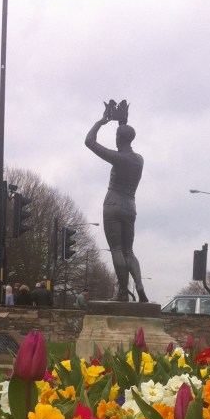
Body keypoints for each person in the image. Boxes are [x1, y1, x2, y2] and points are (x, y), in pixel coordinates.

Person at [85, 110, 147, 302]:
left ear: (119, 138)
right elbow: (124, 139)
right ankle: (139, 285)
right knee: (129, 251)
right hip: (130, 206)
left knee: (117, 250)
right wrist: (122, 122)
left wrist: (101, 122)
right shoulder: (139, 160)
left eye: (116, 136)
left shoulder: (118, 158)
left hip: (113, 204)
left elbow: (89, 142)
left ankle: (122, 292)